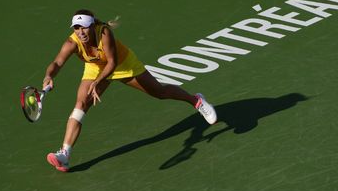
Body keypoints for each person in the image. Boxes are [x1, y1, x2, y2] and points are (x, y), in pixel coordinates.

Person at [42, 9, 217, 172]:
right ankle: (64, 154)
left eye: (84, 28)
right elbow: (57, 63)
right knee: (81, 105)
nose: (80, 32)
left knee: (159, 92)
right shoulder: (72, 42)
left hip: (122, 64)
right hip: (95, 67)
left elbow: (112, 62)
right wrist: (49, 76)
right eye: (76, 28)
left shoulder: (104, 33)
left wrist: (98, 82)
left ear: (93, 26)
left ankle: (196, 101)